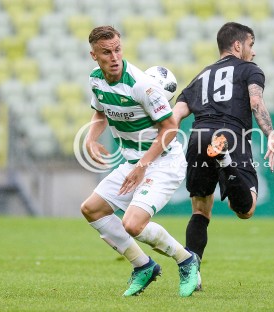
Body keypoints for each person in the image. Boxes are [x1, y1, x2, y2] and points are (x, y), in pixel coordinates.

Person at [80, 26, 199, 297]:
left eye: (117, 50)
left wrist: (142, 166)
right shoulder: (96, 80)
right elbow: (100, 113)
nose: (114, 57)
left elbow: (170, 128)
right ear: (94, 56)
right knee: (92, 209)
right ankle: (143, 265)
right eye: (106, 52)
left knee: (132, 224)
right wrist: (90, 138)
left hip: (164, 161)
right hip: (134, 161)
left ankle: (186, 260)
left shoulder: (141, 84)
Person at [173, 22, 274, 290]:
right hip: (231, 136)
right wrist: (271, 134)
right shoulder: (250, 70)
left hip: (198, 137)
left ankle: (191, 274)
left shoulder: (201, 76)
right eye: (251, 45)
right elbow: (256, 103)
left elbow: (177, 113)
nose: (253, 52)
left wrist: (163, 143)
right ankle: (225, 161)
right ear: (238, 45)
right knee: (245, 209)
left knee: (200, 210)